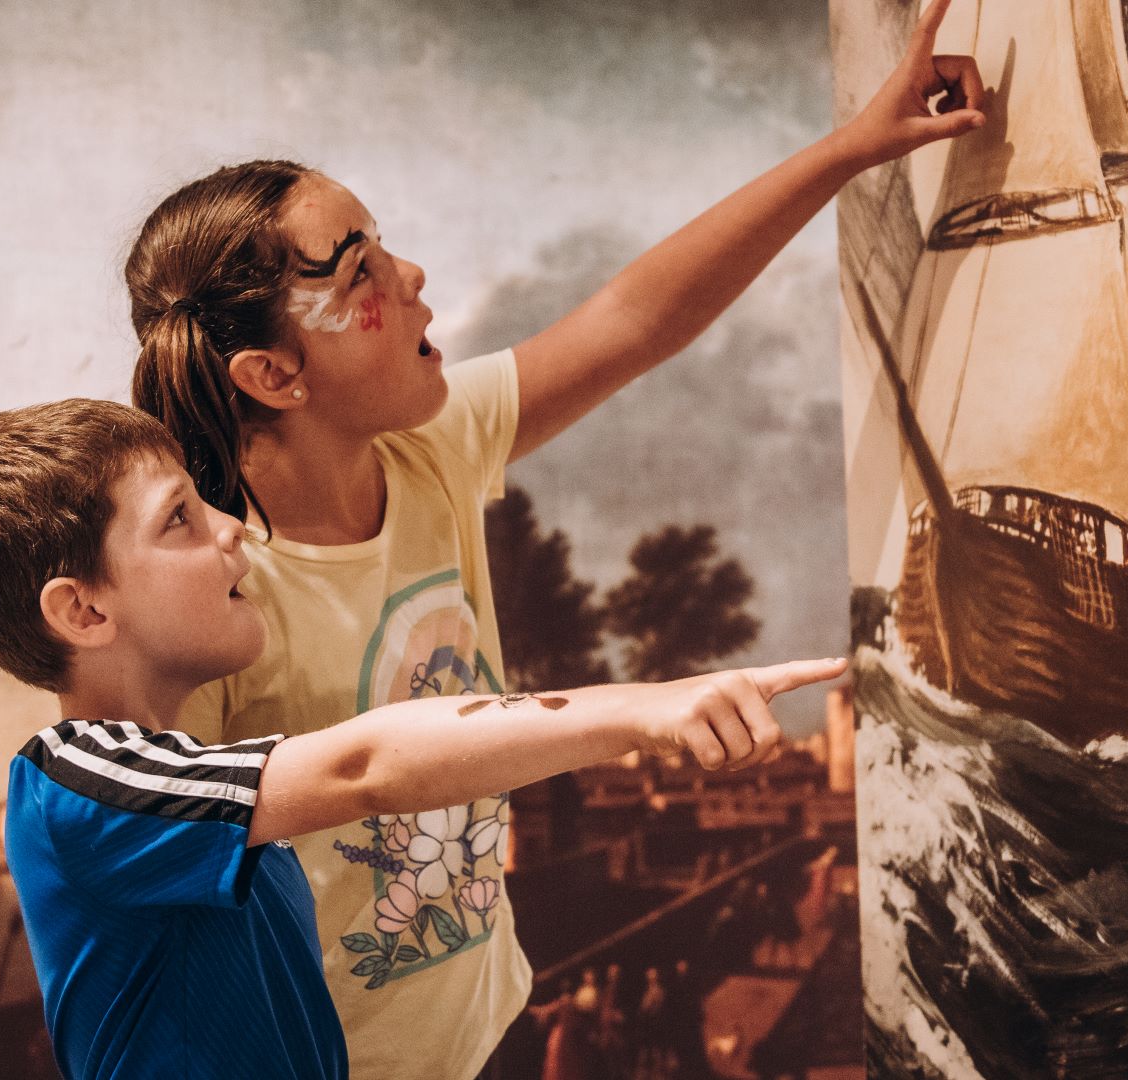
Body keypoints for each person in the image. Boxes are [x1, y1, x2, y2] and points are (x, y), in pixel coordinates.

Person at [124, 3, 984, 1076]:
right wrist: (635, 716)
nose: (412, 276)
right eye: (359, 276)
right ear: (274, 375)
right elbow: (178, 902)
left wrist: (854, 146)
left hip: (495, 1030)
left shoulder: (429, 447)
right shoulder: (215, 599)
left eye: (383, 246)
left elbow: (635, 320)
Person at [0, 399, 847, 1080]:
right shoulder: (77, 784)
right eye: (180, 519)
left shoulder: (184, 788)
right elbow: (368, 765)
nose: (233, 534)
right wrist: (650, 710)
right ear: (83, 609)